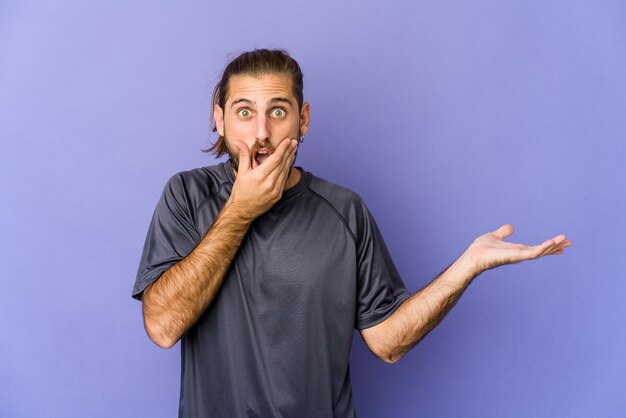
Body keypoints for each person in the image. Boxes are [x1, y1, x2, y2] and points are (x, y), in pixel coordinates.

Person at [132, 49, 572, 417]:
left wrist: (468, 265)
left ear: (303, 120)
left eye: (278, 112)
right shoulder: (186, 196)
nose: (261, 133)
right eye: (244, 112)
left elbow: (387, 342)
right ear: (220, 119)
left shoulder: (344, 210)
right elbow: (163, 326)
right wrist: (241, 211)